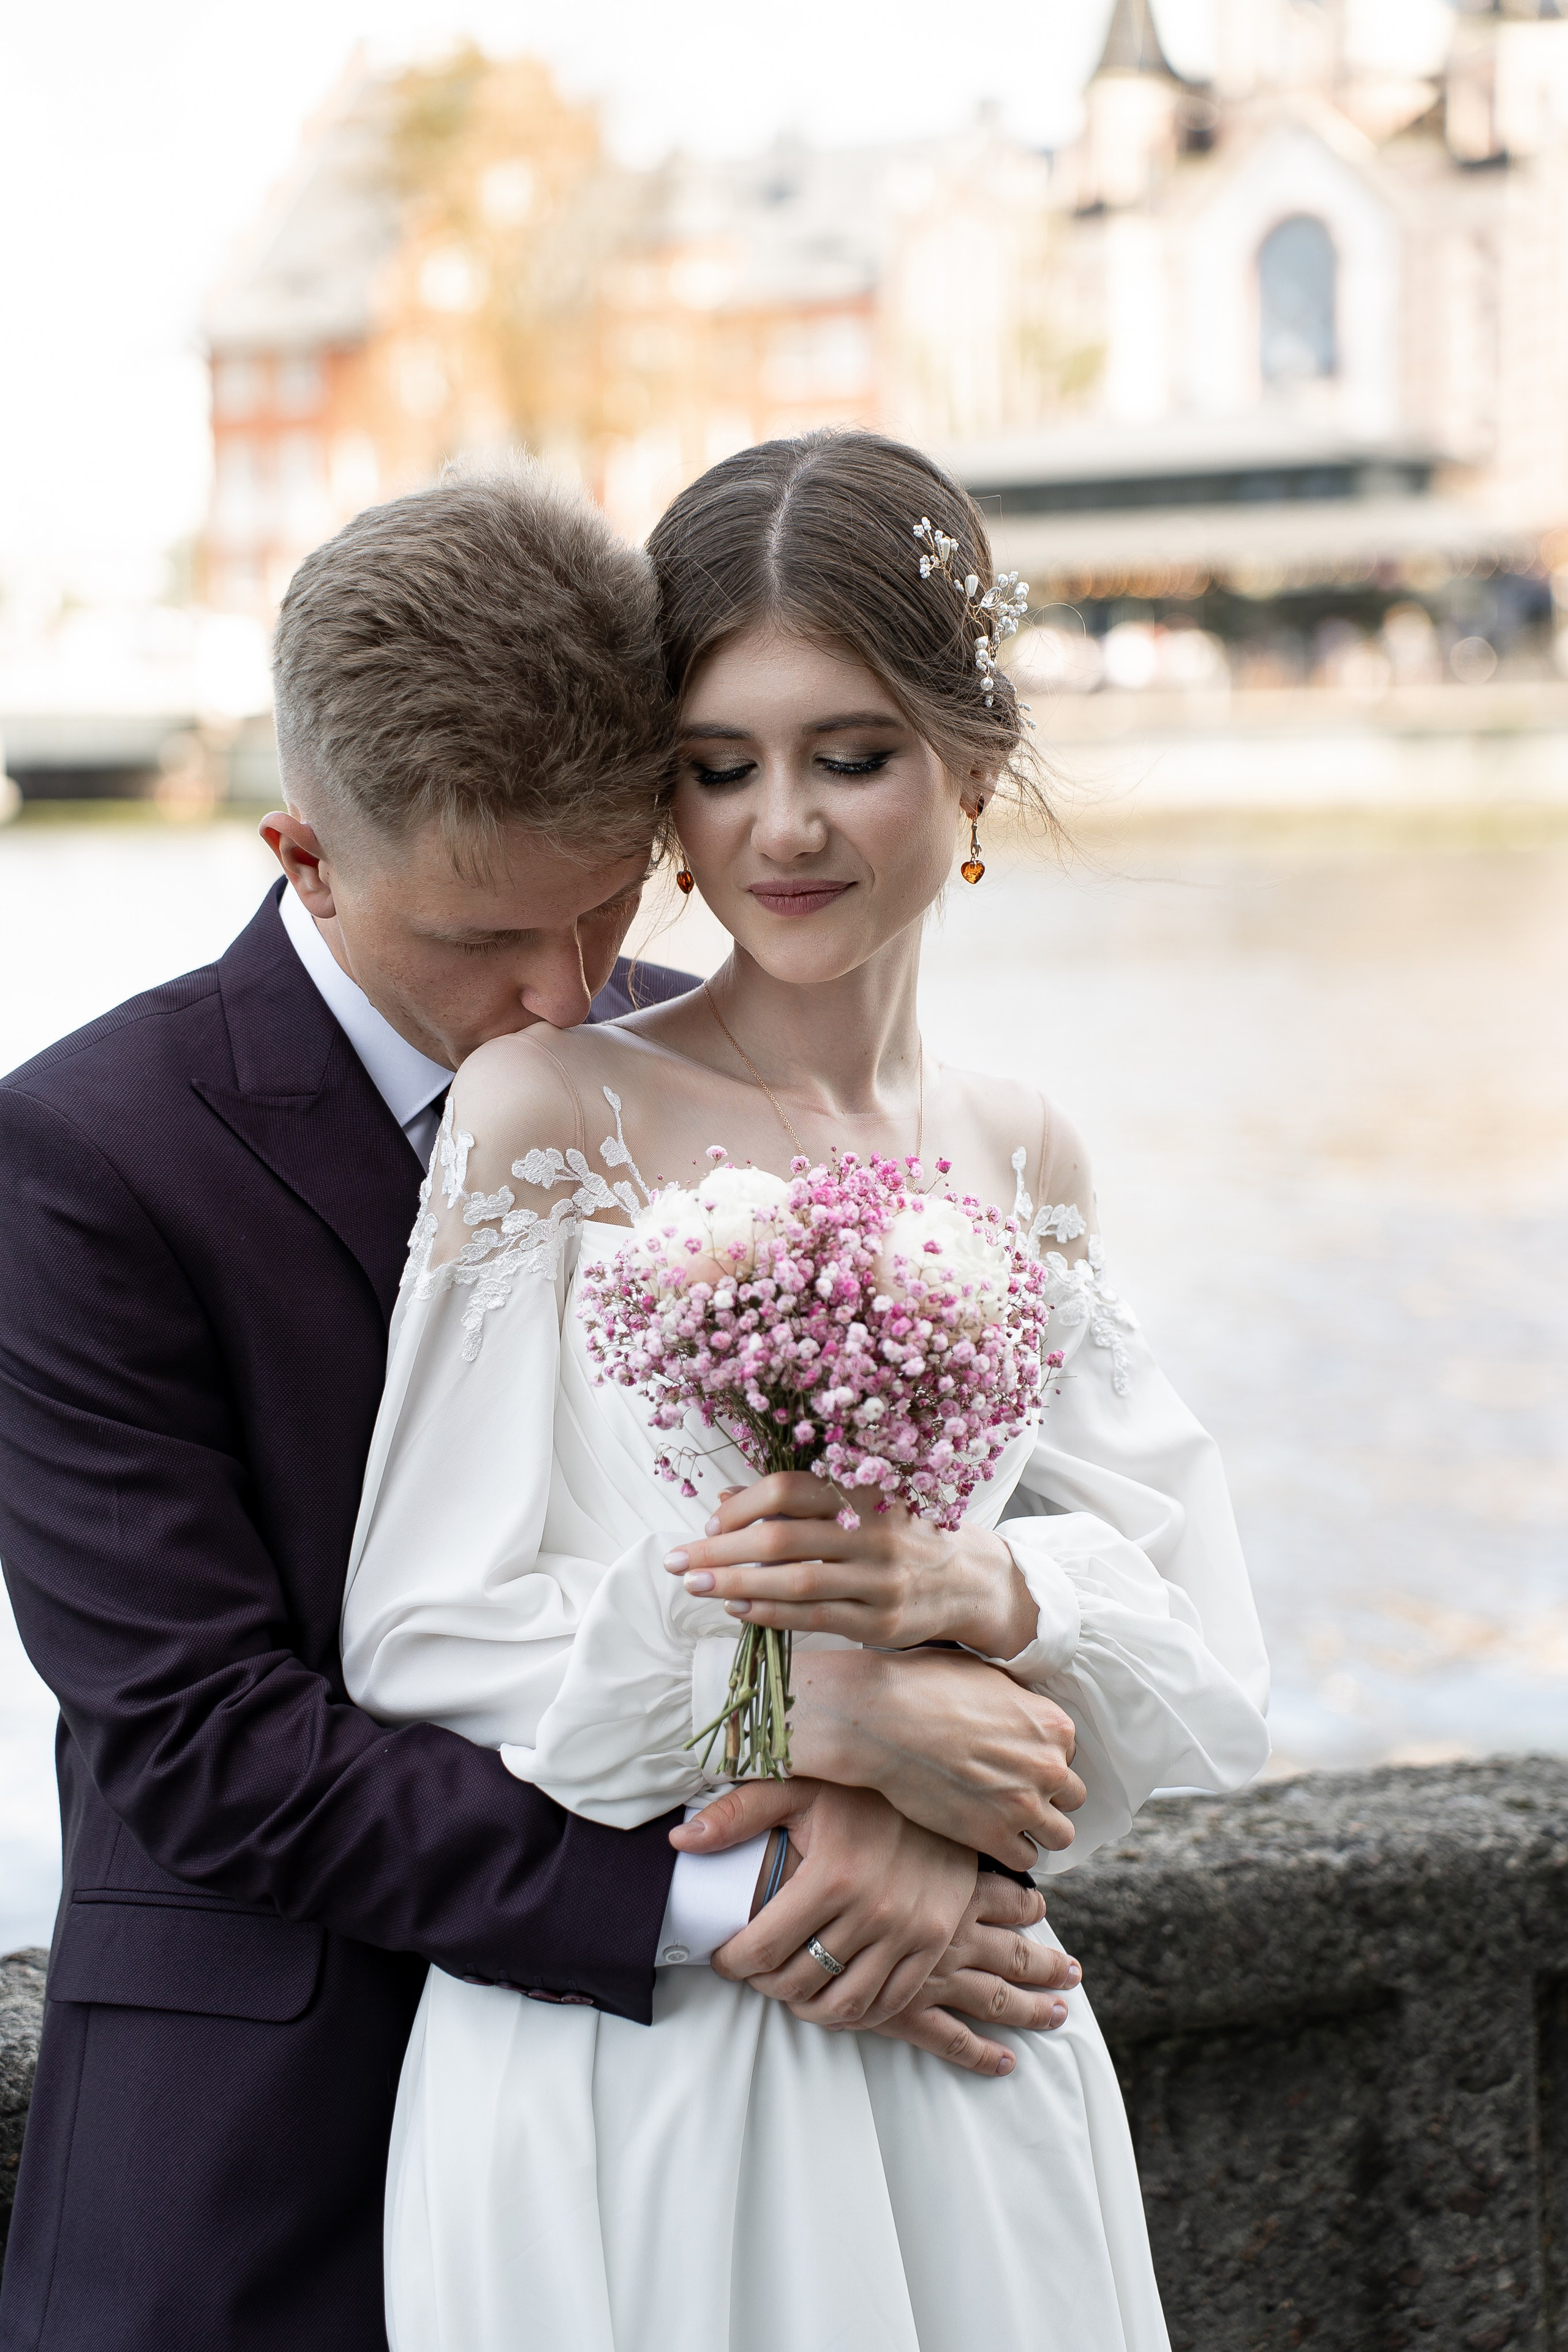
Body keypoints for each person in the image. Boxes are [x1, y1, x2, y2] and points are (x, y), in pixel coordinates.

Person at [0, 462, 1075, 2352]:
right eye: (480, 943)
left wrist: (920, 1782)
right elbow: (199, 1734)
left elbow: (931, 1527)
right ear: (304, 859)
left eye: (599, 912)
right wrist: (769, 1877)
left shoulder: (685, 1077)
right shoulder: (82, 1158)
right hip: (267, 2150)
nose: (554, 996)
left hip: (707, 2145)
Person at [340, 430, 1273, 2352]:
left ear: (972, 765)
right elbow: (421, 1631)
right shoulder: (553, 1112)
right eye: (720, 766)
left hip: (974, 2038)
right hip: (647, 2071)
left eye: (850, 755)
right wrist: (838, 1712)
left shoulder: (1024, 1151)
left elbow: (1205, 1657)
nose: (783, 828)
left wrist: (991, 1603)